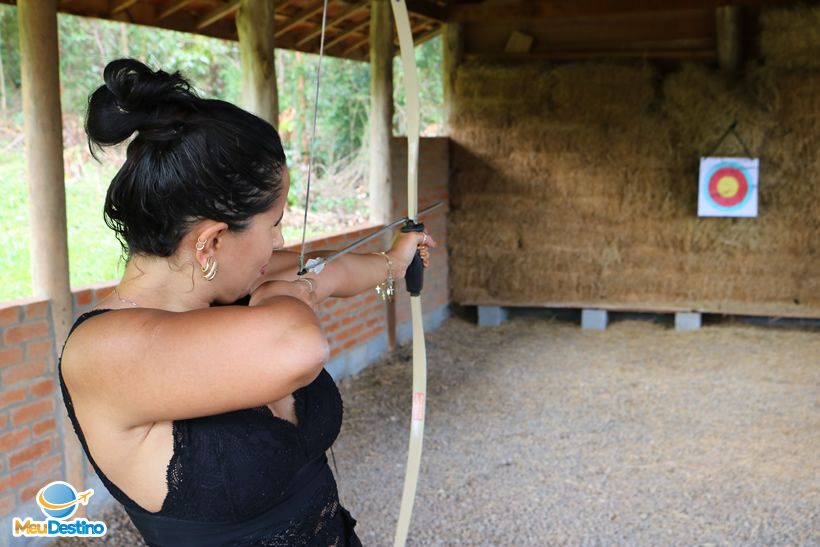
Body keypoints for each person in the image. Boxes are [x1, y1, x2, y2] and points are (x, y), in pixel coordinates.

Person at [58, 58, 435, 547]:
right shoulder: (101, 350)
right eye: (273, 223)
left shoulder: (229, 288)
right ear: (211, 241)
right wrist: (288, 291)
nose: (280, 242)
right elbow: (297, 344)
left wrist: (394, 260)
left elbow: (328, 269)